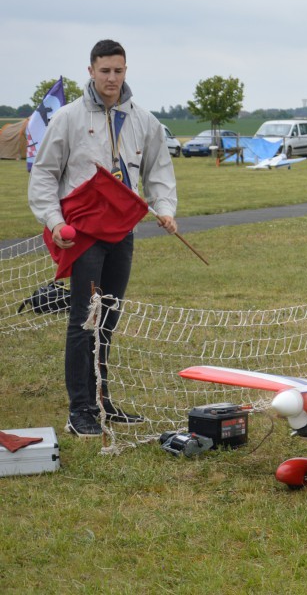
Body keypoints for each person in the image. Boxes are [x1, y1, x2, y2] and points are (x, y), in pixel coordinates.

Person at [28, 39, 178, 438]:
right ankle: (80, 410)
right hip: (83, 234)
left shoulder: (143, 120)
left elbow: (159, 170)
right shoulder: (68, 118)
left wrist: (165, 208)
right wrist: (54, 221)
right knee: (85, 319)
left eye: (119, 70)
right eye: (105, 70)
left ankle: (101, 401)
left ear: (126, 71)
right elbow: (44, 174)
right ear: (91, 71)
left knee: (107, 319)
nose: (112, 78)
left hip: (122, 233)